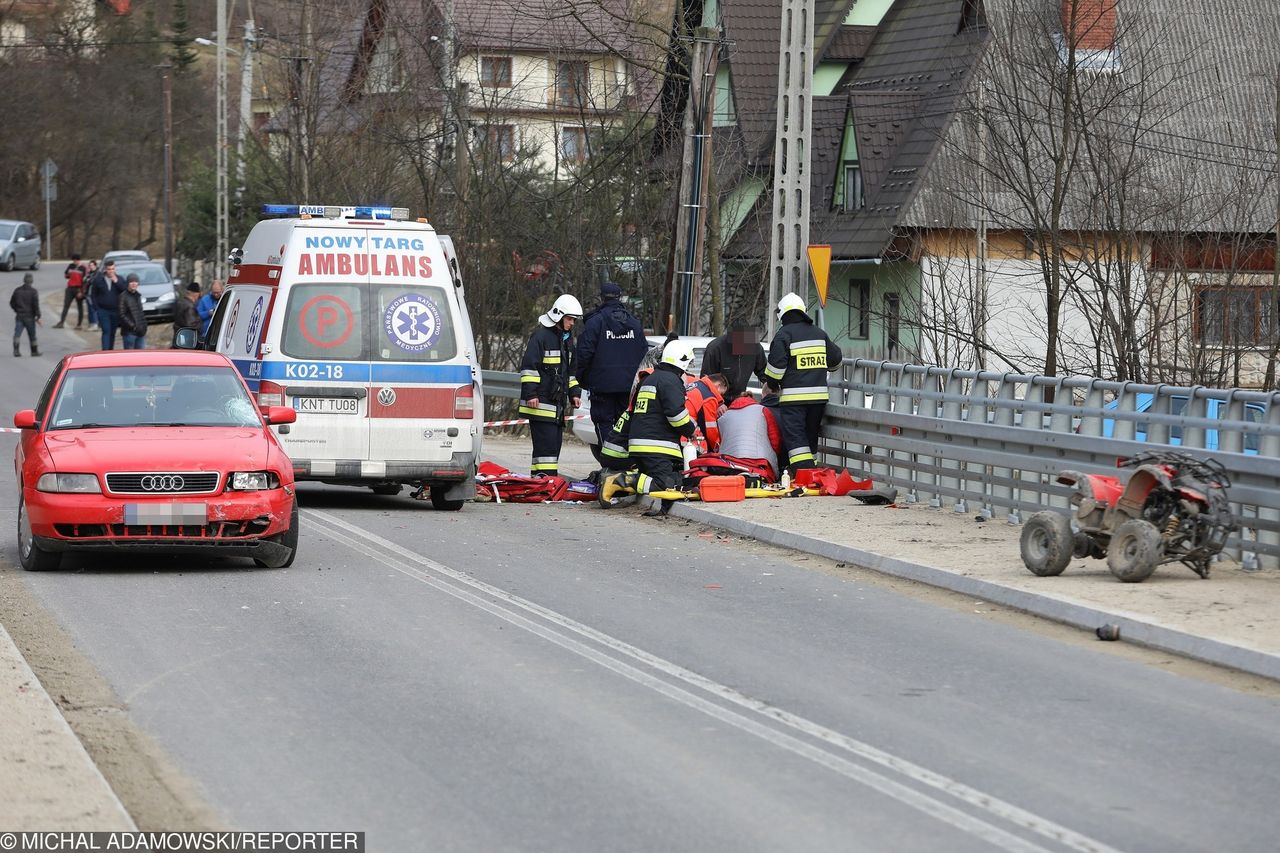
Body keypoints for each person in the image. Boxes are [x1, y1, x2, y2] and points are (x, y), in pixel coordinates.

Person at [602, 339, 698, 517]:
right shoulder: (670, 381)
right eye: (687, 365)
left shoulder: (651, 378)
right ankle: (619, 480)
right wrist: (691, 430)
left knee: (652, 481)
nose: (688, 370)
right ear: (682, 361)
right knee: (665, 485)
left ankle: (621, 481)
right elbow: (676, 415)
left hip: (640, 445)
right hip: (657, 446)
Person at [765, 292, 843, 474]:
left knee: (797, 441)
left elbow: (775, 370)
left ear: (782, 314)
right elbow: (836, 360)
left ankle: (804, 476)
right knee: (810, 438)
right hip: (818, 400)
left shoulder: (784, 334)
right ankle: (813, 475)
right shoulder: (819, 333)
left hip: (793, 401)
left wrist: (773, 385)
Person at [574, 281, 648, 465]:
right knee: (625, 425)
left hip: (602, 387)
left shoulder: (595, 322)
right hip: (628, 388)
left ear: (602, 297)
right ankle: (626, 466)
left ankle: (610, 466)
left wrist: (583, 379)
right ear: (620, 297)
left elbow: (583, 355)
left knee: (604, 425)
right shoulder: (634, 323)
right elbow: (644, 354)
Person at [519, 294, 583, 476]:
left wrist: (574, 394)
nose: (572, 323)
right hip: (540, 404)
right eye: (570, 319)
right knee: (545, 450)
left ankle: (544, 483)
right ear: (558, 316)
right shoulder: (540, 337)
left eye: (574, 320)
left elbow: (571, 372)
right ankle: (544, 483)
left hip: (556, 406)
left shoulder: (568, 341)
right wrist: (531, 394)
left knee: (553, 448)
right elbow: (529, 367)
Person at [717, 381, 785, 482]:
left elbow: (719, 442)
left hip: (728, 466)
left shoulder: (724, 417)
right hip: (758, 465)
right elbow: (775, 441)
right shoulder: (762, 410)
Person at [701, 320, 768, 403]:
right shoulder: (715, 349)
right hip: (718, 400)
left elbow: (764, 372)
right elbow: (706, 381)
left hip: (740, 399)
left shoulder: (755, 346)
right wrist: (719, 403)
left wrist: (771, 390)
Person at [683, 372, 728, 452]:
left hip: (678, 425)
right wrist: (718, 449)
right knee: (703, 448)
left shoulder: (695, 385)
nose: (721, 396)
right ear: (718, 386)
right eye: (721, 393)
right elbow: (710, 429)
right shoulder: (709, 397)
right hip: (686, 434)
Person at [90, 259, 125, 349]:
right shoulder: (98, 280)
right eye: (109, 269)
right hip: (103, 310)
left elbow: (124, 291)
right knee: (106, 331)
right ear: (105, 269)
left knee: (112, 332)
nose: (111, 271)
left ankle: (110, 352)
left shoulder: (120, 279)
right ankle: (105, 352)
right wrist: (97, 308)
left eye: (112, 269)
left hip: (115, 310)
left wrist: (116, 281)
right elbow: (93, 295)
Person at [10, 272, 41, 357]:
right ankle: (34, 351)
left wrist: (16, 310)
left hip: (19, 316)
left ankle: (16, 351)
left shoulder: (17, 290)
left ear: (24, 280)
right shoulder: (33, 291)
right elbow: (36, 305)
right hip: (30, 317)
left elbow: (12, 303)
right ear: (31, 281)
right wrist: (38, 316)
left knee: (17, 334)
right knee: (32, 335)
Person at [54, 254, 86, 329]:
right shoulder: (70, 266)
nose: (74, 262)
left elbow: (84, 281)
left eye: (75, 260)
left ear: (78, 260)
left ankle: (79, 324)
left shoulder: (83, 268)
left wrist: (81, 292)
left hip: (78, 289)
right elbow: (66, 275)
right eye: (73, 260)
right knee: (66, 305)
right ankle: (61, 322)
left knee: (79, 307)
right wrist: (69, 274)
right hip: (70, 288)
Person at [118, 273, 147, 349]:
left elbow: (141, 313)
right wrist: (133, 326)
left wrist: (144, 326)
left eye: (136, 281)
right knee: (129, 357)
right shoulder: (123, 296)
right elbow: (121, 314)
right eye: (131, 282)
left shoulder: (138, 295)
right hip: (129, 333)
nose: (134, 284)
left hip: (140, 332)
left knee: (141, 357)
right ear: (128, 283)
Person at [82, 260, 100, 330]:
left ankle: (95, 324)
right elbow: (84, 280)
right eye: (90, 266)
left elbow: (92, 281)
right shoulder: (89, 273)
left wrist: (88, 280)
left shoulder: (98, 274)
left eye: (92, 265)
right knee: (89, 309)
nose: (91, 267)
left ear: (95, 266)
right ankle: (91, 323)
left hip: (94, 294)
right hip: (88, 294)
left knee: (93, 309)